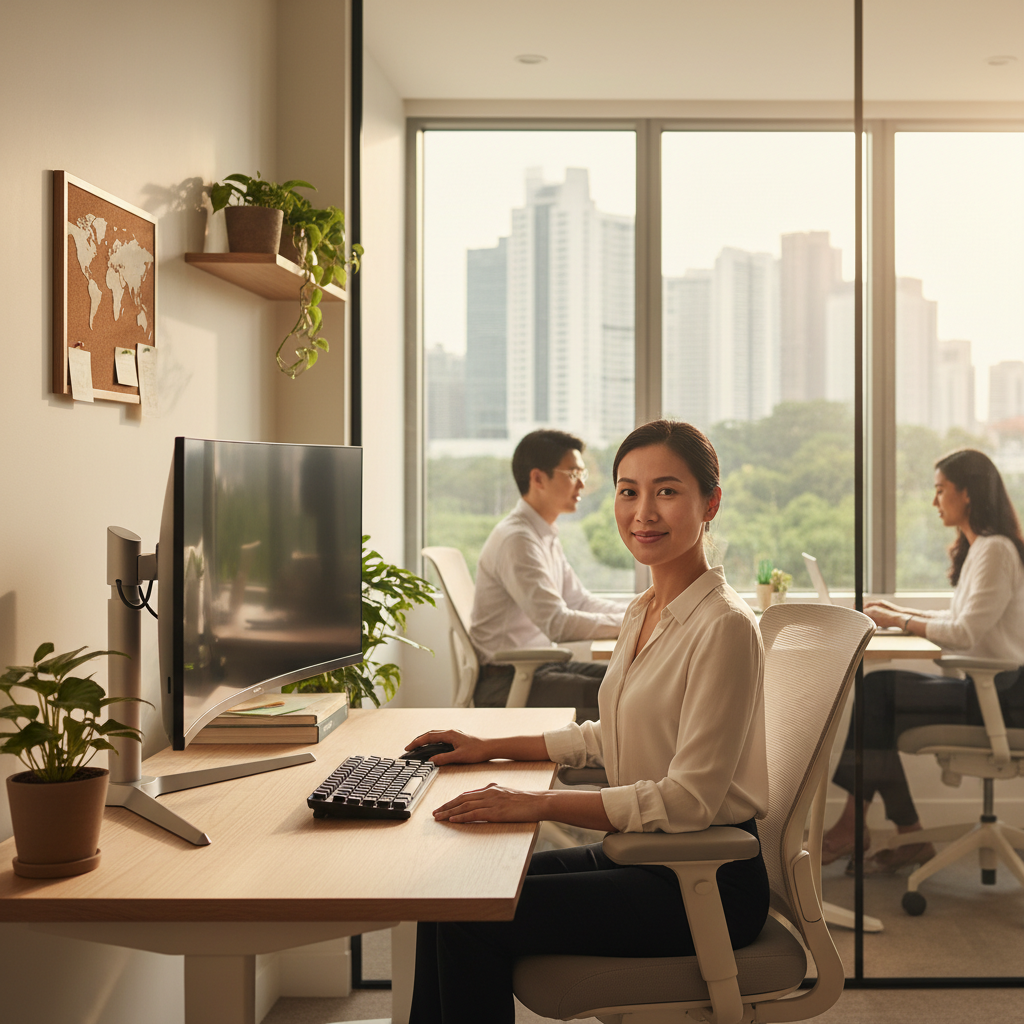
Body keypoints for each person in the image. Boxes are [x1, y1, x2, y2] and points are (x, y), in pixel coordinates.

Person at [407, 420, 769, 1024]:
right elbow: (613, 734)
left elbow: (687, 801)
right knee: (449, 893)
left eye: (667, 491)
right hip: (642, 855)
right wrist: (488, 746)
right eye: (628, 491)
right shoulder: (644, 609)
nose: (643, 512)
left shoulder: (724, 626)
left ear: (710, 504)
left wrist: (536, 804)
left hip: (702, 882)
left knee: (471, 917)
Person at [823, 448, 1024, 872]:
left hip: (1003, 698)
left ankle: (857, 828)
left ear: (966, 493)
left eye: (941, 490)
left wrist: (897, 619)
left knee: (878, 692)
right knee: (878, 700)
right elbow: (959, 618)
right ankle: (896, 832)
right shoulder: (981, 549)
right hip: (987, 691)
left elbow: (963, 633)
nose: (935, 501)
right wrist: (898, 612)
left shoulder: (995, 550)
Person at [470, 429, 630, 721]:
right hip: (507, 683)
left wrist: (638, 611)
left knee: (637, 680)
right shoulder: (517, 539)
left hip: (539, 670)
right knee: (630, 695)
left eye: (582, 473)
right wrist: (633, 623)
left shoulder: (541, 533)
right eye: (573, 474)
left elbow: (579, 601)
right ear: (538, 479)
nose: (582, 483)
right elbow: (558, 625)